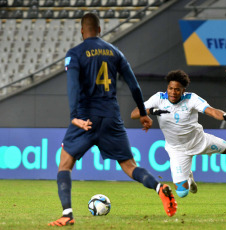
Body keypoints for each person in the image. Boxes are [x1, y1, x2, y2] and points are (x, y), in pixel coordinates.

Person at [48, 13, 177, 226]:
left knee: (65, 165)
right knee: (129, 165)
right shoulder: (115, 52)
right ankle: (159, 187)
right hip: (111, 117)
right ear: (100, 30)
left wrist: (74, 117)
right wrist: (143, 114)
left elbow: (72, 86)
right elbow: (134, 85)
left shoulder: (75, 53)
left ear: (82, 31)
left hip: (86, 118)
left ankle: (67, 214)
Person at [131, 69, 226, 199]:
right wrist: (150, 111)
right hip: (177, 150)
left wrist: (225, 115)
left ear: (183, 90)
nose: (173, 92)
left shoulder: (191, 98)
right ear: (167, 88)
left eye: (177, 89)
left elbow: (211, 111)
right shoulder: (158, 98)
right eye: (170, 88)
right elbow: (134, 114)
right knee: (182, 193)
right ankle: (189, 177)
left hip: (199, 141)